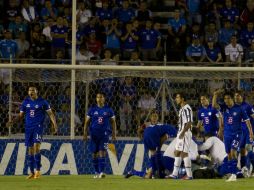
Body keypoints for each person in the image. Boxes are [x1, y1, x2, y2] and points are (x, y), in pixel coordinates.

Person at [10, 86, 57, 179]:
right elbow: (20, 115)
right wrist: (13, 121)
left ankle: (38, 171)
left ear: (37, 92)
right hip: (28, 128)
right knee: (30, 149)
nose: (31, 92)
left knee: (36, 146)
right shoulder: (25, 102)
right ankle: (31, 172)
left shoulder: (43, 102)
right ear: (28, 92)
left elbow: (51, 113)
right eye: (29, 90)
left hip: (38, 127)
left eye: (33, 90)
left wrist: (55, 125)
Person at [213, 90, 253, 181]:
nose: (226, 100)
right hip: (227, 135)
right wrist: (215, 95)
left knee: (233, 152)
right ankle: (232, 173)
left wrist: (251, 132)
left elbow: (247, 121)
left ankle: (234, 175)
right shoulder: (224, 108)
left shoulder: (240, 108)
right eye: (225, 99)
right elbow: (214, 105)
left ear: (232, 99)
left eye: (228, 98)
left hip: (237, 134)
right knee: (229, 155)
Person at [83, 92, 117, 178]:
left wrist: (114, 134)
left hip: (105, 134)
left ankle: (101, 172)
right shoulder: (92, 110)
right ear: (96, 99)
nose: (99, 99)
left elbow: (113, 122)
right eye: (98, 97)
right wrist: (85, 134)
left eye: (101, 97)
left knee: (102, 151)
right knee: (94, 153)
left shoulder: (109, 110)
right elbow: (86, 122)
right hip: (93, 134)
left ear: (104, 99)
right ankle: (96, 172)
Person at [138, 111, 177, 178]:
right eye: (153, 116)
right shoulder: (146, 125)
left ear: (158, 117)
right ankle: (154, 173)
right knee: (151, 173)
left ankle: (134, 172)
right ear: (150, 117)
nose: (154, 118)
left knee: (150, 174)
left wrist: (167, 136)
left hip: (156, 148)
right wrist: (141, 136)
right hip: (150, 147)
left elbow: (171, 130)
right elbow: (139, 131)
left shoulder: (160, 126)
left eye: (156, 116)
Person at [167, 92, 193, 179]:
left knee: (184, 153)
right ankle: (174, 174)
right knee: (177, 152)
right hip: (181, 132)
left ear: (182, 99)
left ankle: (189, 175)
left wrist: (182, 132)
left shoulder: (187, 108)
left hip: (185, 133)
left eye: (177, 97)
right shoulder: (182, 109)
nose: (176, 99)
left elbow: (189, 122)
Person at [234, 90, 254, 177]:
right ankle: (243, 170)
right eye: (235, 96)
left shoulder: (247, 106)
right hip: (240, 133)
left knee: (249, 149)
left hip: (248, 132)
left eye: (238, 96)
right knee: (242, 151)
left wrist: (252, 132)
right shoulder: (233, 107)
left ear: (242, 97)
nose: (236, 98)